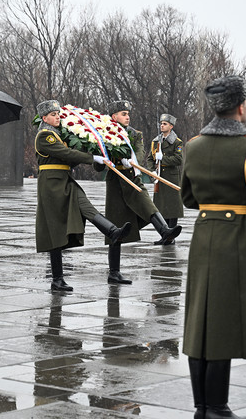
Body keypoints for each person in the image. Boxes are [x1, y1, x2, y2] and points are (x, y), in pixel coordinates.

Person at [181, 75, 246, 419]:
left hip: (203, 234)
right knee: (223, 319)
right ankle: (217, 407)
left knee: (199, 320)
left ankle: (201, 407)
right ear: (241, 107)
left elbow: (188, 198)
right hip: (236, 236)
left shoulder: (193, 146)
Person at [35, 100, 131, 291]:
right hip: (51, 184)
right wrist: (91, 158)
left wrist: (93, 148)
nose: (57, 117)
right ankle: (57, 279)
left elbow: (70, 158)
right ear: (44, 118)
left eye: (58, 114)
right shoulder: (45, 135)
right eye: (53, 115)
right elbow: (65, 153)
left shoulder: (59, 135)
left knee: (86, 206)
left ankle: (113, 232)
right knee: (55, 229)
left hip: (65, 179)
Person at [94, 100, 181, 284]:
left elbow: (140, 153)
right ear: (114, 117)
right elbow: (97, 166)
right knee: (116, 225)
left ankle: (164, 230)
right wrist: (100, 158)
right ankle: (114, 272)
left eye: (128, 114)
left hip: (132, 177)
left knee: (147, 203)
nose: (128, 117)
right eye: (123, 114)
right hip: (116, 182)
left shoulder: (135, 134)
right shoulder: (103, 133)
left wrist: (132, 160)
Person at [146, 113, 184, 244]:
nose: (162, 126)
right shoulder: (156, 141)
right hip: (159, 177)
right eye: (161, 124)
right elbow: (150, 158)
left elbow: (178, 159)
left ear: (171, 126)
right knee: (161, 207)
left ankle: (171, 236)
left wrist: (163, 159)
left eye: (165, 124)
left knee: (172, 207)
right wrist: (152, 170)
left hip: (171, 178)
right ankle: (164, 234)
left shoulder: (177, 142)